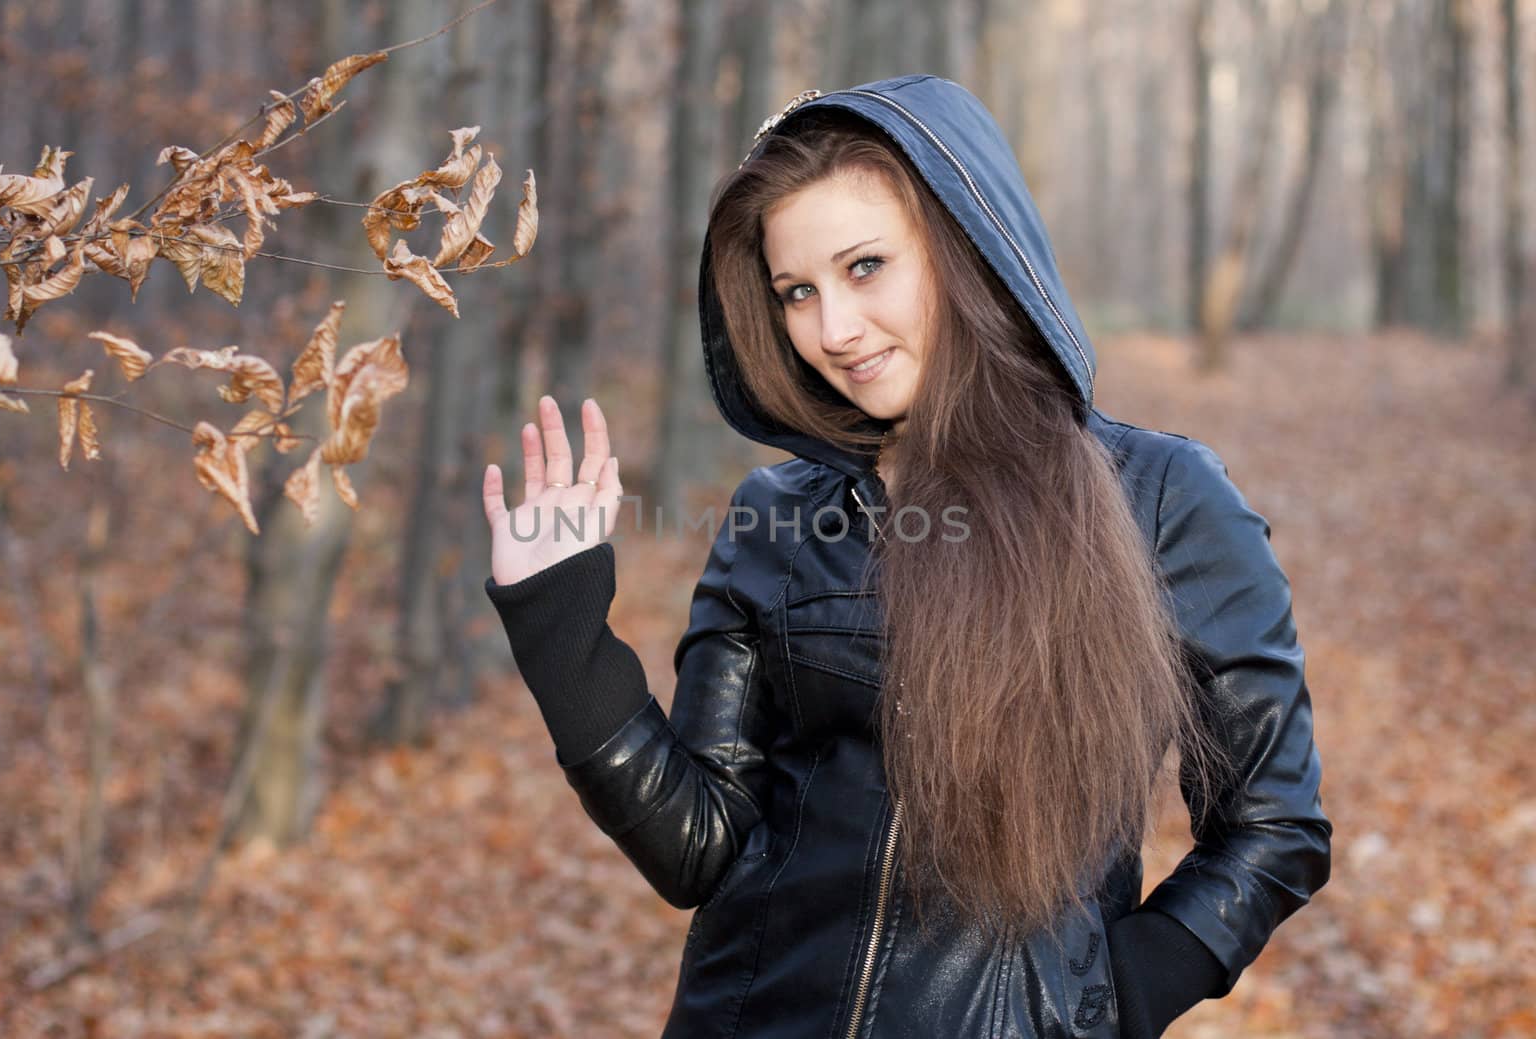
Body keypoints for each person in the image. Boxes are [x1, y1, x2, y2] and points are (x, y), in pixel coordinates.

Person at [481, 75, 1331, 1039]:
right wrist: (559, 626)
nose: (832, 331)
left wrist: (1107, 1000)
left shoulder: (1164, 497)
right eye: (797, 291)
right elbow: (700, 851)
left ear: (964, 247)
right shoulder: (775, 517)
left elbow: (1274, 828)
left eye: (866, 266)